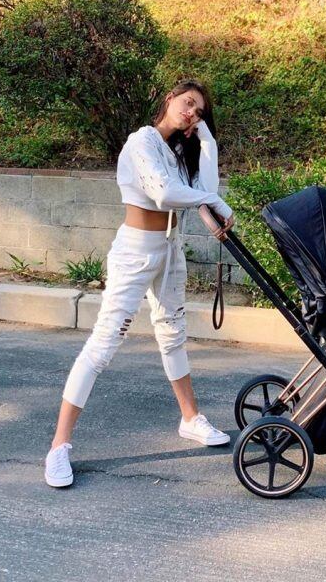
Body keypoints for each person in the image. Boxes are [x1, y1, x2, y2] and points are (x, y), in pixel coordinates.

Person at [45, 79, 235, 488]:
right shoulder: (141, 141)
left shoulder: (176, 151)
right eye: (188, 103)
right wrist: (213, 202)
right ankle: (59, 446)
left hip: (169, 248)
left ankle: (190, 419)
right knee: (104, 343)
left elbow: (204, 191)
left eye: (199, 112)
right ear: (170, 98)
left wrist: (207, 140)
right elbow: (165, 194)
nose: (191, 112)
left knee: (173, 334)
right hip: (135, 251)